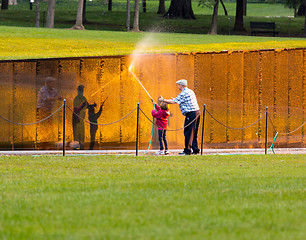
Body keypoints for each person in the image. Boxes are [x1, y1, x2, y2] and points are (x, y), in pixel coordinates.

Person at [161, 79, 200, 155]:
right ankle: (195, 149)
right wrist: (174, 100)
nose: (178, 86)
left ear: (181, 85)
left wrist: (163, 100)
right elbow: (179, 100)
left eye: (178, 85)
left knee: (188, 132)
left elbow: (173, 102)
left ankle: (187, 151)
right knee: (194, 132)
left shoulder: (184, 93)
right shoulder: (190, 91)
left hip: (191, 114)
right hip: (197, 112)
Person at [36, 77, 63, 147]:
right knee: (43, 125)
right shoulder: (43, 90)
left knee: (49, 124)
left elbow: (57, 96)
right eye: (52, 82)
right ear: (48, 83)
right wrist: (56, 98)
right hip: (42, 110)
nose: (54, 84)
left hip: (48, 110)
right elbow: (46, 98)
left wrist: (62, 98)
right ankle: (42, 141)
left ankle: (48, 139)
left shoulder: (53, 90)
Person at [73, 85, 87, 150]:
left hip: (81, 119)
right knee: (77, 131)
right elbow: (76, 109)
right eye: (81, 90)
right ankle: (76, 144)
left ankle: (81, 143)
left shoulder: (84, 98)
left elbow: (86, 107)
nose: (82, 92)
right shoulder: (77, 99)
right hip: (77, 119)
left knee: (81, 131)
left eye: (82, 90)